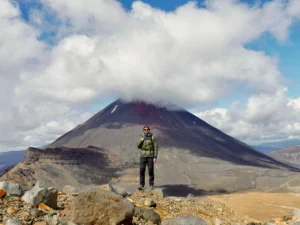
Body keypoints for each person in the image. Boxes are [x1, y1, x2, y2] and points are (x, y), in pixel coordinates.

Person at [137, 125, 158, 190]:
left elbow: (155, 147)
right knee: (142, 170)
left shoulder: (152, 137)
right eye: (145, 129)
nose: (146, 130)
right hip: (143, 155)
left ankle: (151, 185)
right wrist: (141, 140)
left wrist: (155, 157)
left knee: (151, 170)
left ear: (149, 130)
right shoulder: (141, 137)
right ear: (143, 130)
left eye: (147, 129)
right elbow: (138, 146)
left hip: (150, 156)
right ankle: (141, 185)